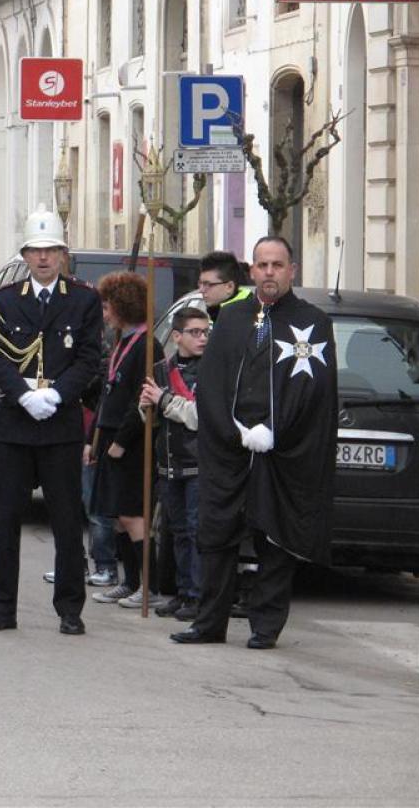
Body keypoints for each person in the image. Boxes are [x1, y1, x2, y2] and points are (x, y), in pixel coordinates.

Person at [173, 237, 337, 649]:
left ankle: (266, 625)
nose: (269, 272)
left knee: (274, 541)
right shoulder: (230, 319)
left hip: (282, 453)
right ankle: (209, 623)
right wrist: (234, 430)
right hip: (230, 449)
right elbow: (211, 383)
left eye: (277, 265)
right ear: (251, 271)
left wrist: (274, 431)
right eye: (262, 265)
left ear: (291, 270)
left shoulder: (313, 322)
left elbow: (314, 395)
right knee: (215, 536)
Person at [0, 207, 102, 635]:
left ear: (63, 254)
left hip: (61, 423)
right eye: (36, 250)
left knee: (67, 522)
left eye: (51, 251)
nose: (44, 258)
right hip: (16, 421)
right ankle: (1, 608)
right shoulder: (4, 300)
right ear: (25, 255)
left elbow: (89, 357)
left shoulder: (84, 299)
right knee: (6, 521)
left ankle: (70, 608)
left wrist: (57, 393)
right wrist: (25, 395)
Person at [87, 271, 155, 611]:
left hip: (130, 440)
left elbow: (139, 400)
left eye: (108, 304)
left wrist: (122, 441)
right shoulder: (121, 340)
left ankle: (147, 585)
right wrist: (92, 439)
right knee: (115, 516)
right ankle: (129, 582)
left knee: (132, 515)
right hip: (110, 434)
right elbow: (107, 394)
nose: (105, 311)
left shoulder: (146, 343)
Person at [140, 306, 209, 622]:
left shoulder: (211, 370)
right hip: (168, 463)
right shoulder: (161, 369)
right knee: (177, 532)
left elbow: (199, 418)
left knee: (196, 533)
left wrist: (164, 401)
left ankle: (197, 595)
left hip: (197, 464)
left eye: (206, 331)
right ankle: (182, 592)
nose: (203, 338)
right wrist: (146, 406)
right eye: (195, 332)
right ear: (177, 336)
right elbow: (150, 418)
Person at [199, 250, 251, 322]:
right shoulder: (217, 313)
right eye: (200, 283)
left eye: (208, 284)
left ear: (229, 287)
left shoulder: (245, 319)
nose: (201, 290)